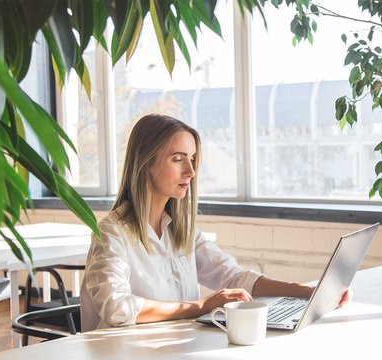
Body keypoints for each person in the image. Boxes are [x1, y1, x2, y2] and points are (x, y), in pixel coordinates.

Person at [80, 114, 349, 331]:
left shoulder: (181, 230)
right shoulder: (111, 233)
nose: (191, 171)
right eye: (178, 159)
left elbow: (233, 276)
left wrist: (306, 291)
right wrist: (202, 305)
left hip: (176, 348)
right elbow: (116, 308)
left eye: (193, 159)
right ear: (146, 163)